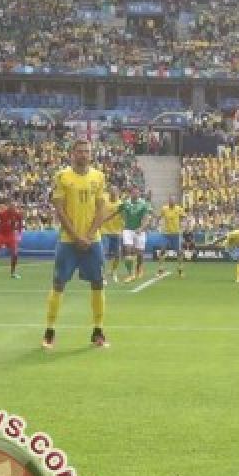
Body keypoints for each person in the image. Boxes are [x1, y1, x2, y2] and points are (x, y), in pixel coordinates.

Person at [43, 139, 110, 350]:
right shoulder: (62, 177)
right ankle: (50, 330)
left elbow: (101, 210)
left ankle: (98, 330)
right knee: (58, 284)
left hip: (93, 240)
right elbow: (59, 210)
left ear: (91, 154)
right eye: (79, 151)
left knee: (98, 283)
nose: (83, 154)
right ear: (72, 153)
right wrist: (76, 236)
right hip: (67, 240)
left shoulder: (99, 177)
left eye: (87, 151)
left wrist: (88, 236)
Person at [119, 186, 152, 281]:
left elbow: (146, 219)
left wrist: (141, 228)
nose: (136, 194)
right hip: (128, 230)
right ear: (130, 193)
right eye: (134, 193)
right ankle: (130, 274)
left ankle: (139, 268)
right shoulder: (125, 203)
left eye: (137, 193)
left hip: (140, 231)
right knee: (127, 249)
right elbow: (118, 212)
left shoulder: (143, 204)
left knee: (140, 253)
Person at [157, 196, 186, 279]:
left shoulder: (179, 209)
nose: (172, 202)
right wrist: (158, 225)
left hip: (176, 234)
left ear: (175, 201)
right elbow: (159, 217)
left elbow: (183, 218)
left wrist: (183, 226)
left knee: (179, 252)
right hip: (165, 234)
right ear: (168, 201)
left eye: (173, 200)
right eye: (170, 200)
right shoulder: (164, 209)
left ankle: (180, 270)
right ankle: (160, 269)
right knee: (162, 250)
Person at [101, 188, 124, 283]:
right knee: (103, 253)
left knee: (118, 254)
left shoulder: (121, 204)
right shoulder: (104, 199)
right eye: (111, 193)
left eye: (115, 194)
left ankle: (114, 271)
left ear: (118, 194)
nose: (113, 195)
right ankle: (103, 275)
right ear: (109, 193)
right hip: (104, 231)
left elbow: (124, 217)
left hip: (116, 232)